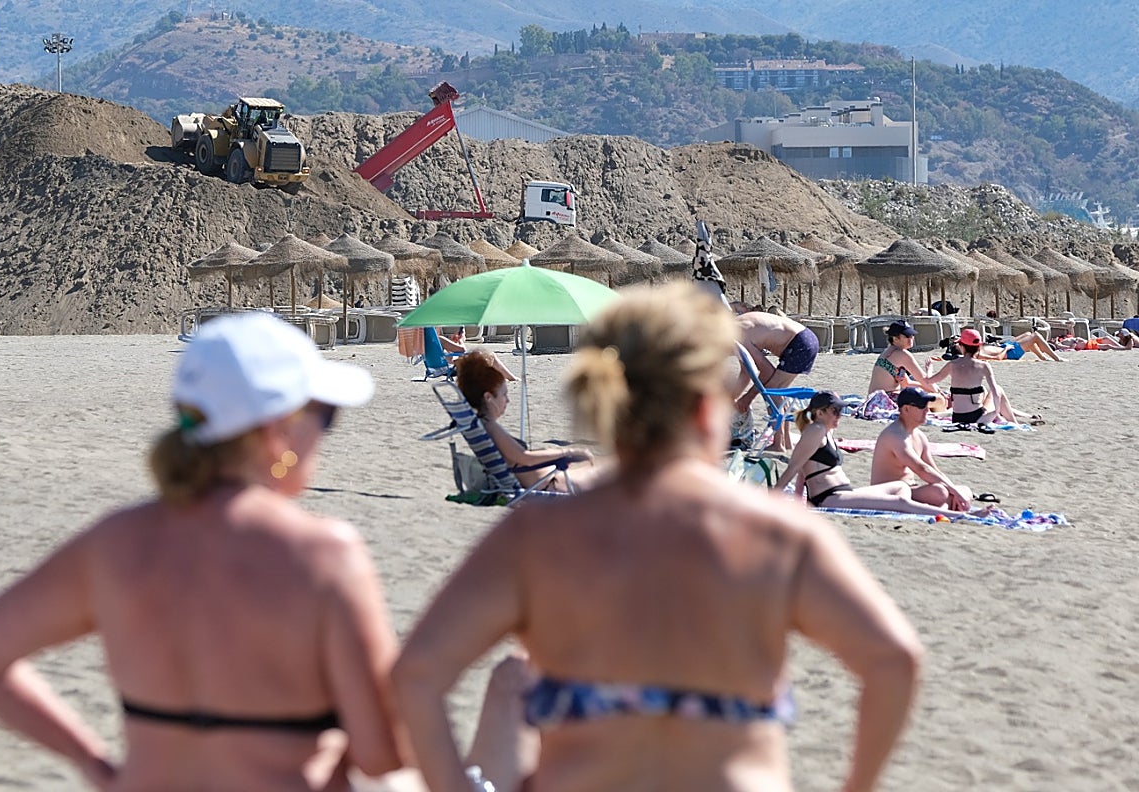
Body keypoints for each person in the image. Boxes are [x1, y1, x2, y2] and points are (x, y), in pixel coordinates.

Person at [393, 283, 922, 792]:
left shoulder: (537, 535)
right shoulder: (778, 533)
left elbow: (416, 676)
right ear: (702, 408)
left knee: (511, 680)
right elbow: (894, 661)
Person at [0, 313, 405, 791]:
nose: (326, 435)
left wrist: (91, 763)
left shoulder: (114, 542)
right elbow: (380, 755)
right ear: (277, 434)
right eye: (325, 416)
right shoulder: (323, 554)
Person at [774, 390, 959, 515]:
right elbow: (794, 468)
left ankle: (934, 509)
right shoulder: (815, 431)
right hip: (829, 498)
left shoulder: (826, 432)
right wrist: (772, 500)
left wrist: (800, 503)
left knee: (900, 487)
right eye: (835, 410)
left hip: (843, 493)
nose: (839, 414)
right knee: (899, 503)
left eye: (840, 410)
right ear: (820, 413)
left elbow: (802, 474)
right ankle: (954, 515)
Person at [453, 349, 596, 491]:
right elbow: (524, 457)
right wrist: (568, 452)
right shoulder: (490, 427)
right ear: (488, 397)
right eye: (504, 394)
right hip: (551, 483)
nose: (508, 400)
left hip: (550, 477)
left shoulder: (480, 425)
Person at [732, 302, 820, 450]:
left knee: (773, 389)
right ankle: (785, 441)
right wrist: (734, 397)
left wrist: (748, 398)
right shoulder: (735, 328)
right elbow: (746, 372)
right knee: (778, 390)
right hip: (803, 339)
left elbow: (766, 371)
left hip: (799, 343)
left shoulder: (736, 336)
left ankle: (778, 444)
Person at [871, 387, 973, 512]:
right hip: (888, 492)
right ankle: (946, 507)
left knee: (965, 490)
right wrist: (954, 492)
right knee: (940, 492)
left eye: (926, 405)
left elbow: (934, 470)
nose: (926, 410)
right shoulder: (895, 435)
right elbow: (921, 469)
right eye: (921, 406)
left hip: (910, 488)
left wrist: (955, 491)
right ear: (906, 409)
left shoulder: (919, 435)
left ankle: (946, 506)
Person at [924, 328, 1018, 430]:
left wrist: (929, 369)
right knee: (998, 389)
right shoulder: (984, 366)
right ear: (979, 347)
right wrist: (995, 412)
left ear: (962, 346)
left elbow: (929, 381)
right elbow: (995, 393)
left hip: (957, 417)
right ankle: (1015, 423)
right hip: (978, 418)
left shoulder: (952, 365)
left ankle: (1011, 421)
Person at [867, 320, 943, 398]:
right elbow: (923, 379)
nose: (911, 338)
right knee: (940, 400)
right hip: (885, 400)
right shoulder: (902, 354)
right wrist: (938, 392)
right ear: (895, 338)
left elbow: (907, 383)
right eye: (907, 336)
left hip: (875, 400)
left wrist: (933, 390)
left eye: (912, 335)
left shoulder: (887, 352)